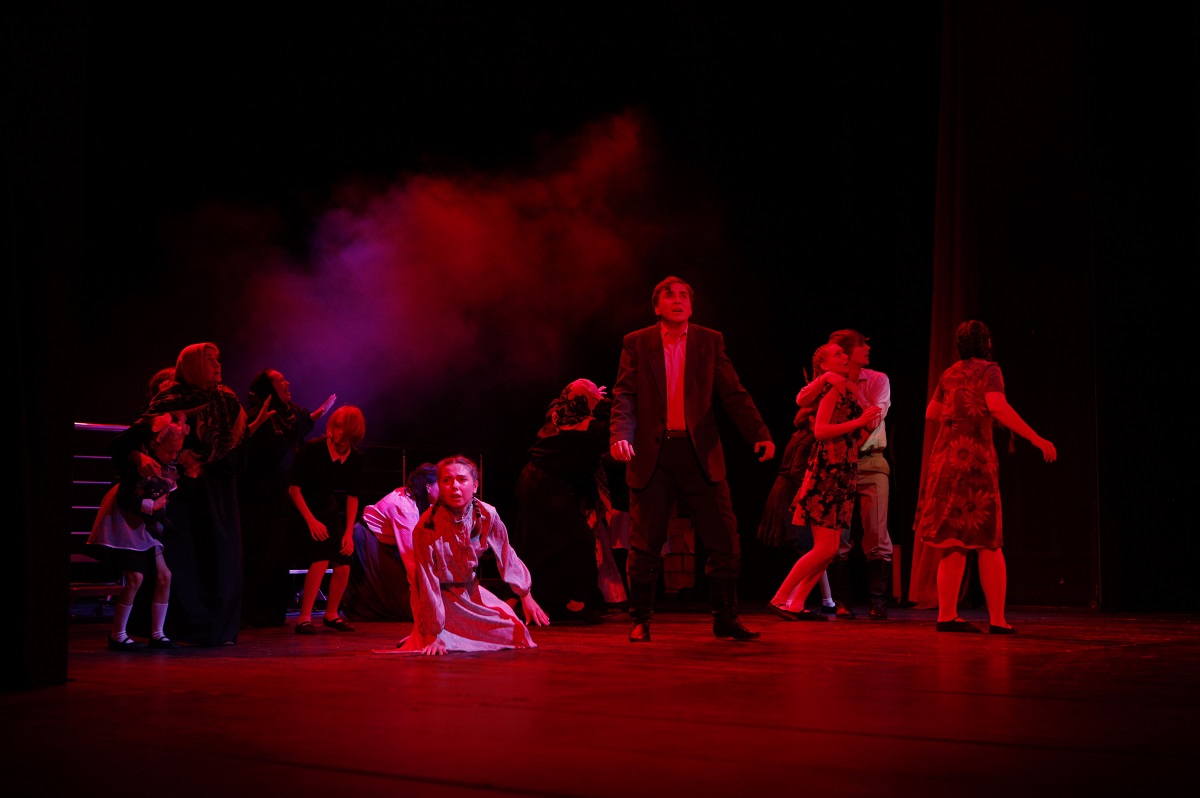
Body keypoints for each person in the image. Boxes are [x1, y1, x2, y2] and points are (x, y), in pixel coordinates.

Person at [609, 276, 776, 643]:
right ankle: (640, 619)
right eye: (670, 296)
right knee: (645, 542)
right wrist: (621, 435)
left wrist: (759, 433)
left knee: (724, 538)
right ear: (657, 307)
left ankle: (725, 618)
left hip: (699, 451)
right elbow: (624, 394)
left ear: (691, 305)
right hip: (653, 454)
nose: (678, 300)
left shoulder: (709, 340)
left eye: (684, 295)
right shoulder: (637, 342)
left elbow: (733, 392)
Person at [111, 342, 265, 646]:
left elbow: (240, 449)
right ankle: (170, 628)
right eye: (209, 360)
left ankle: (216, 630)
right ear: (192, 365)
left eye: (218, 359)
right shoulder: (171, 399)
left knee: (219, 559)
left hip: (217, 492)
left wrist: (205, 461)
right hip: (179, 493)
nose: (217, 365)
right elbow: (136, 439)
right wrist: (165, 460)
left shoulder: (227, 400)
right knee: (181, 560)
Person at [914, 320, 1056, 634]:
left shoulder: (949, 373)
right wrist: (1035, 438)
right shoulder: (989, 370)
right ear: (987, 343)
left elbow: (931, 413)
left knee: (953, 541)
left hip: (945, 459)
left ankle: (947, 615)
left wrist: (960, 413)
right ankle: (997, 620)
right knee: (988, 541)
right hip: (974, 461)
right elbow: (997, 406)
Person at [768, 342, 882, 621]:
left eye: (844, 352)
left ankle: (796, 603)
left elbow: (863, 426)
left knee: (829, 550)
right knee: (823, 548)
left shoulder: (848, 388)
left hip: (842, 472)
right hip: (826, 472)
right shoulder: (831, 389)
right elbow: (820, 431)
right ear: (824, 365)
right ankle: (780, 598)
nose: (844, 356)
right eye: (838, 354)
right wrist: (860, 422)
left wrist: (867, 421)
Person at [394, 455, 549, 655]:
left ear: (475, 486)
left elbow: (506, 554)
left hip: (470, 591)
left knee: (517, 633)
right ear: (439, 487)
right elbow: (427, 582)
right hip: (439, 597)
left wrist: (525, 594)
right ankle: (429, 632)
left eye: (462, 480)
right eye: (447, 480)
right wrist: (432, 634)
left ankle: (448, 634)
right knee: (438, 639)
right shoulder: (426, 526)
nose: (455, 486)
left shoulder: (487, 515)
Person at [794, 329, 894, 619]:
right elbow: (802, 406)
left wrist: (844, 448)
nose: (867, 349)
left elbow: (872, 421)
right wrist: (825, 379)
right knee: (837, 539)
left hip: (867, 460)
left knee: (876, 533)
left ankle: (878, 602)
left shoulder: (876, 379)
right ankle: (840, 601)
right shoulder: (831, 381)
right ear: (846, 353)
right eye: (861, 345)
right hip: (838, 466)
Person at [87, 412, 195, 650]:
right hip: (128, 520)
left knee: (165, 576)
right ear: (154, 445)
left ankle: (158, 633)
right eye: (169, 451)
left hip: (146, 523)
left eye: (176, 452)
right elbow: (126, 499)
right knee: (135, 577)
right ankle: (118, 635)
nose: (173, 456)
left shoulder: (167, 467)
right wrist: (151, 506)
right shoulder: (137, 467)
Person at [239, 369, 334, 628]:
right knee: (257, 552)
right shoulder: (254, 415)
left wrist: (316, 415)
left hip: (281, 495)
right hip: (257, 496)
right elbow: (250, 448)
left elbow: (298, 428)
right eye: (280, 380)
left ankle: (272, 611)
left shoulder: (288, 415)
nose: (287, 382)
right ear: (268, 388)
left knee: (278, 553)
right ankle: (251, 612)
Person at [514, 378, 613, 625]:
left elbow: (561, 398)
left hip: (532, 480)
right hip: (546, 486)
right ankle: (574, 605)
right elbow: (609, 427)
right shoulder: (588, 429)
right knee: (580, 541)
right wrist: (604, 404)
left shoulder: (556, 412)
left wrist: (590, 395)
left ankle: (528, 601)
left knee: (537, 545)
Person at [288, 404, 366, 635]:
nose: (336, 430)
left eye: (342, 427)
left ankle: (331, 614)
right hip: (302, 506)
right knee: (321, 557)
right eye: (336, 425)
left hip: (326, 507)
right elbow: (294, 489)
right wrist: (311, 521)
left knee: (344, 561)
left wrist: (348, 532)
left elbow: (353, 496)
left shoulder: (355, 458)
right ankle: (304, 618)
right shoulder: (313, 449)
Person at [756, 399, 837, 614]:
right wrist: (813, 494)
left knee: (815, 549)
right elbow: (797, 471)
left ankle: (825, 600)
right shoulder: (809, 438)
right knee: (814, 549)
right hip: (789, 494)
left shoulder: (798, 436)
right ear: (811, 418)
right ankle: (789, 600)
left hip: (784, 491)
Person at [342, 462, 439, 621]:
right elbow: (411, 555)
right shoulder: (404, 507)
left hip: (387, 542)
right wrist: (425, 595)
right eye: (441, 484)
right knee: (395, 593)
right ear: (428, 487)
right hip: (368, 538)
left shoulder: (419, 499)